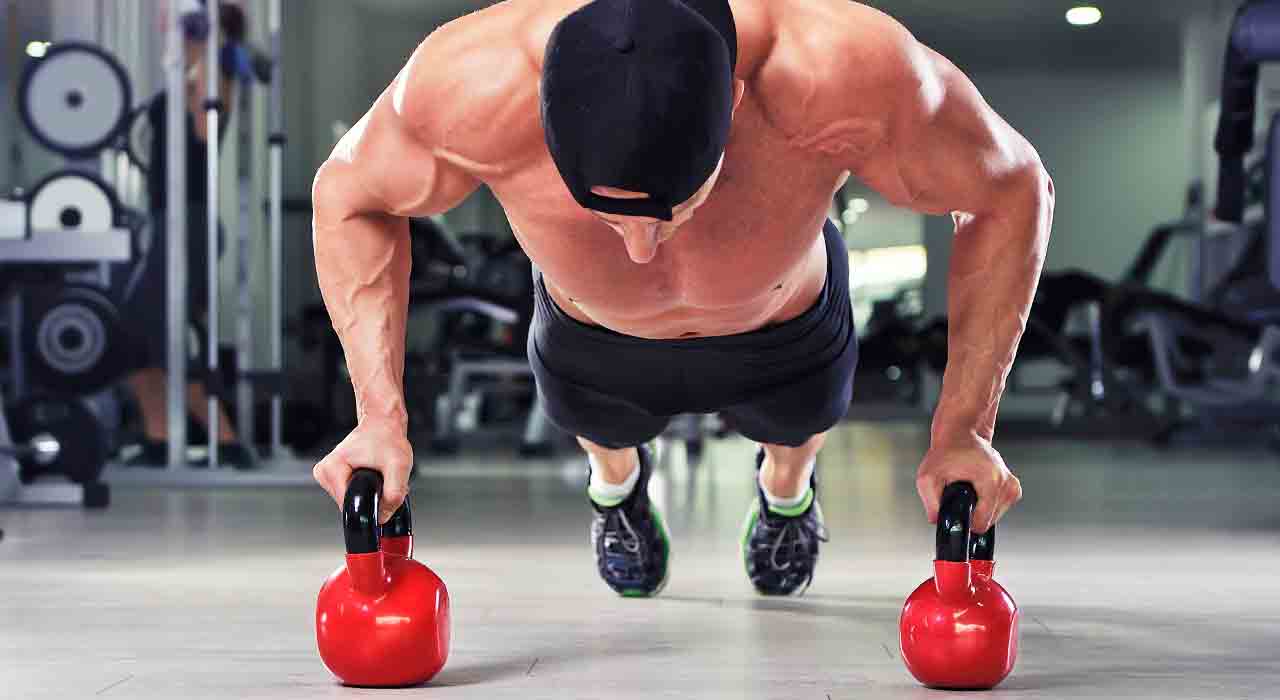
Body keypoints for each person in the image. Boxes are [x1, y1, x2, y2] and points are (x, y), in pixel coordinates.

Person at [311, 0, 1054, 597]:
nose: (640, 250)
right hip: (589, 339)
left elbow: (1013, 189)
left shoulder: (843, 70)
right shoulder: (469, 82)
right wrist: (379, 418)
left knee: (794, 438)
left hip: (785, 331)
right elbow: (347, 196)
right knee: (602, 432)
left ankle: (787, 497)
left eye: (672, 210)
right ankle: (616, 491)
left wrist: (965, 430)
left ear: (731, 105)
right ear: (539, 107)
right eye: (606, 218)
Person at [119, 0, 253, 468]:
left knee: (161, 333)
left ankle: (229, 441)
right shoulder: (189, 72)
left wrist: (209, 45)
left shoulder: (215, 79)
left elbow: (203, 132)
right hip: (167, 224)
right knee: (136, 335)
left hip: (190, 224)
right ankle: (159, 440)